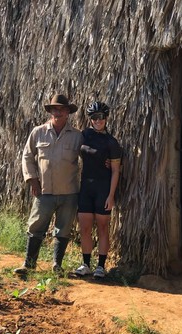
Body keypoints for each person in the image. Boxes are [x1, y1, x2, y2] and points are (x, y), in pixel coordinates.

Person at [14, 94, 83, 275]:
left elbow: (90, 156)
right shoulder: (38, 132)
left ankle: (57, 265)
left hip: (69, 192)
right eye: (54, 109)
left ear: (68, 112)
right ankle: (29, 265)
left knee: (63, 228)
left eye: (61, 109)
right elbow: (27, 157)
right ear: (50, 111)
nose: (58, 112)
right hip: (44, 191)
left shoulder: (77, 136)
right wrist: (32, 180)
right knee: (36, 226)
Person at [75, 101, 122, 279]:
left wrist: (111, 195)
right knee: (85, 228)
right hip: (86, 187)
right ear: (90, 119)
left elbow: (116, 171)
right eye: (94, 117)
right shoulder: (84, 135)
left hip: (103, 188)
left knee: (103, 227)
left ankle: (101, 266)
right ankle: (85, 264)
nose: (97, 120)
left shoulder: (111, 142)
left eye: (101, 117)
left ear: (106, 118)